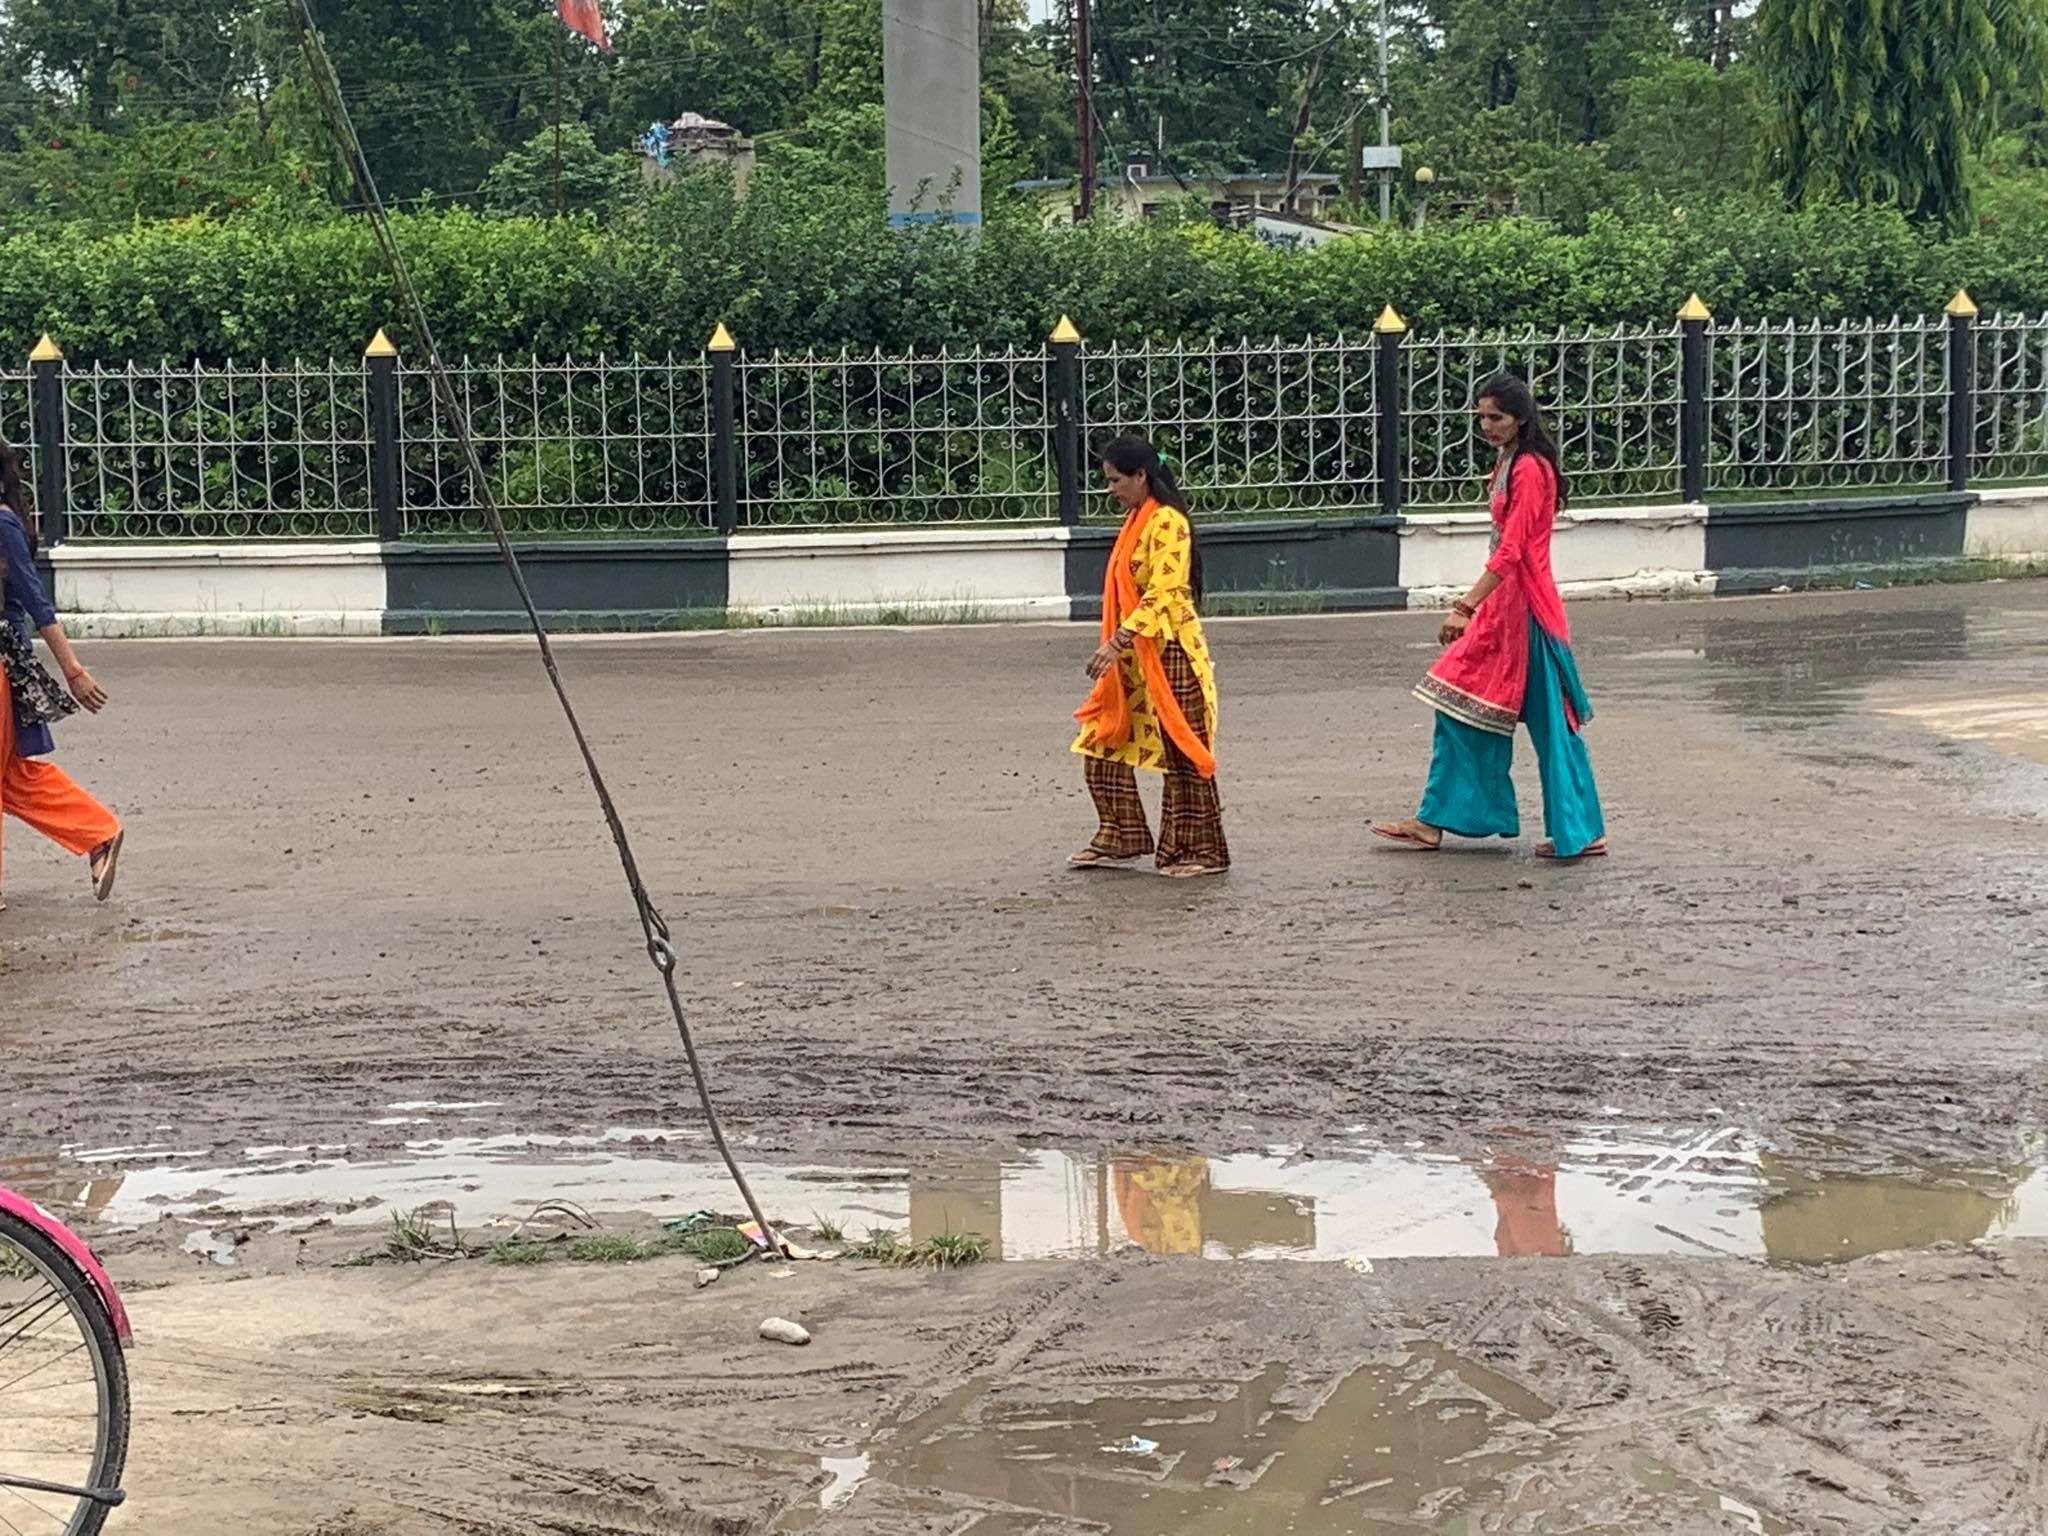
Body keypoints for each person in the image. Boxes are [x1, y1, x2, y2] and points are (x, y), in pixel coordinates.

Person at [1371, 374, 1607, 860]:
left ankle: (1580, 830)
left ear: (1520, 417)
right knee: (1459, 707)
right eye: (1481, 417)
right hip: (1504, 607)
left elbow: (1513, 550)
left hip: (1528, 612)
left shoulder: (1530, 469)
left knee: (1552, 725)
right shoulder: (1508, 461)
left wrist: (1464, 607)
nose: (1487, 426)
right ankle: (1436, 820)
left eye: (1495, 417)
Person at [1069, 435, 1229, 878]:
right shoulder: (1137, 519)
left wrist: (1115, 642)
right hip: (1136, 655)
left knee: (1183, 750)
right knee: (1102, 740)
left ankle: (1202, 852)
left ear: (1142, 476)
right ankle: (1121, 835)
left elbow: (1165, 594)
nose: (1110, 489)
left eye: (1116, 480)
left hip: (1170, 651)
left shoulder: (1168, 522)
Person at [0, 438, 122, 911]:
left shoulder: (3, 524)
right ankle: (98, 832)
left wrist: (72, 669)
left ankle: (99, 832)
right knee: (11, 777)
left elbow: (36, 602)